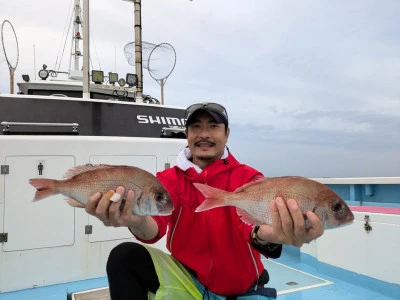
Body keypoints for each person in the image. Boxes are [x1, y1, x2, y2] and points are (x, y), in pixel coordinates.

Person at [85, 102, 324, 300]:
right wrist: (134, 220)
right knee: (124, 256)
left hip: (242, 291)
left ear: (226, 133)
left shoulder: (249, 178)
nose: (204, 134)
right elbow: (155, 229)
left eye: (213, 126)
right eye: (196, 127)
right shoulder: (168, 179)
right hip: (187, 281)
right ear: (187, 134)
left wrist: (273, 235)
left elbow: (253, 229)